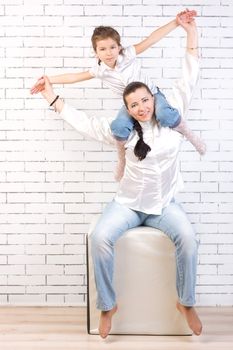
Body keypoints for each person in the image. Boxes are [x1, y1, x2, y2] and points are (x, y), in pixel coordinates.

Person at [39, 16, 202, 338]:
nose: (141, 107)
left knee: (188, 240)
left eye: (145, 101)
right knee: (100, 238)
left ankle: (185, 302)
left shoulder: (171, 121)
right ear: (126, 109)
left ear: (154, 99)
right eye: (133, 104)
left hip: (164, 206)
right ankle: (108, 306)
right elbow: (83, 122)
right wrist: (50, 95)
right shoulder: (122, 133)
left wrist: (190, 31)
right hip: (127, 205)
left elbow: (190, 72)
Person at [31, 9, 206, 182]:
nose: (109, 53)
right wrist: (49, 79)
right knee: (118, 127)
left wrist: (176, 22)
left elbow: (152, 39)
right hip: (130, 104)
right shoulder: (99, 70)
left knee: (166, 115)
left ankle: (190, 135)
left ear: (119, 47)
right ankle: (121, 160)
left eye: (113, 47)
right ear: (95, 52)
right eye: (103, 49)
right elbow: (75, 77)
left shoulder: (128, 55)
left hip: (152, 94)